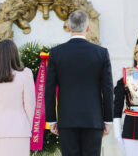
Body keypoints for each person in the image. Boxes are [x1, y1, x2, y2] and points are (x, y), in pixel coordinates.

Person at [45, 10, 114, 156]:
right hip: (93, 120)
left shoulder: (56, 53)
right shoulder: (101, 53)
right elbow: (107, 89)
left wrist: (52, 120)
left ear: (68, 27)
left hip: (67, 120)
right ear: (88, 28)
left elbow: (49, 89)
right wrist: (107, 119)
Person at [0, 39, 35, 156]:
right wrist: (27, 126)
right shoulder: (25, 74)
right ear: (14, 53)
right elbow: (30, 106)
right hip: (21, 129)